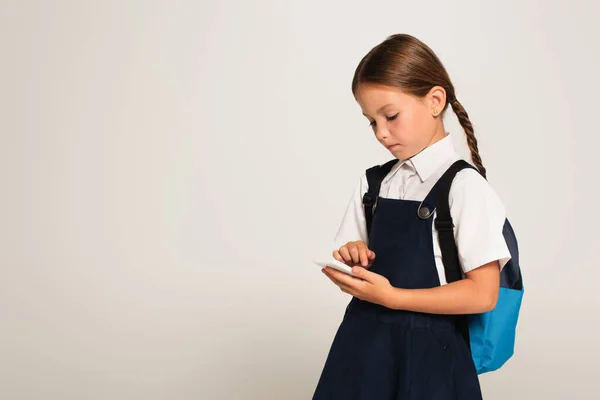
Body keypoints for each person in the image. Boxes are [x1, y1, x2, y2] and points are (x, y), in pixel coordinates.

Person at [312, 33, 512, 400]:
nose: (381, 133)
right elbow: (357, 253)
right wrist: (354, 254)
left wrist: (394, 298)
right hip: (362, 347)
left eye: (390, 116)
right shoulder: (374, 183)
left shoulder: (465, 187)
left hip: (431, 357)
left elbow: (484, 294)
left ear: (435, 101)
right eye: (371, 122)